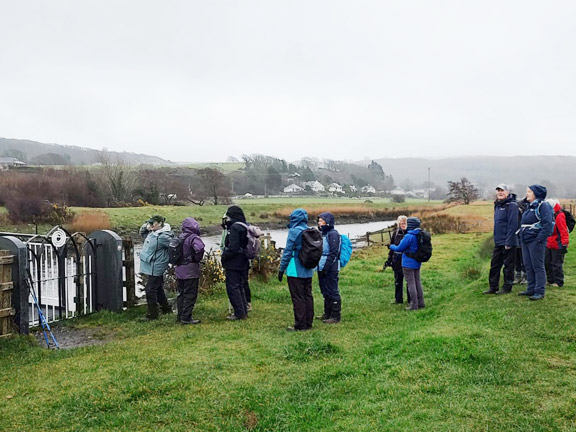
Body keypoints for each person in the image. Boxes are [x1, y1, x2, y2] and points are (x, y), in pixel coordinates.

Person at [278, 208, 314, 331]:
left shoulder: (294, 231)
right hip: (308, 269)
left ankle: (300, 325)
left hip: (295, 269)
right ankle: (308, 323)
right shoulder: (310, 230)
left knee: (298, 297)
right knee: (308, 295)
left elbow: (288, 252)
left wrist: (281, 269)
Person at [518, 185, 554, 300]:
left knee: (537, 266)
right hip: (526, 240)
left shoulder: (543, 206)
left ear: (536, 194)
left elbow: (547, 224)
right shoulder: (530, 206)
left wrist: (539, 239)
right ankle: (531, 289)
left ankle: (539, 291)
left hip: (535, 241)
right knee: (528, 265)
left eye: (529, 192)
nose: (527, 194)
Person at [484, 184, 519, 295]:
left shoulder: (512, 205)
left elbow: (513, 225)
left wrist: (509, 241)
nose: (500, 192)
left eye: (502, 190)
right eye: (498, 190)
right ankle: (493, 286)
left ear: (508, 192)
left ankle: (507, 287)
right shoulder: (497, 205)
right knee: (494, 265)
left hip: (508, 242)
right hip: (498, 241)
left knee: (508, 266)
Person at [139, 215, 174, 320]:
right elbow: (142, 233)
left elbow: (174, 246)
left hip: (157, 265)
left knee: (150, 289)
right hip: (151, 264)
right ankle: (166, 309)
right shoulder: (152, 233)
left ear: (160, 224)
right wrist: (146, 226)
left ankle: (152, 315)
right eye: (149, 223)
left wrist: (171, 259)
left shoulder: (164, 236)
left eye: (152, 223)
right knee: (158, 288)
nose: (150, 225)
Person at [389, 217, 425, 311]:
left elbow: (399, 248)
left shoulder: (409, 236)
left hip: (408, 263)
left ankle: (414, 305)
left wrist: (391, 246)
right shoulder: (419, 234)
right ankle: (421, 302)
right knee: (418, 282)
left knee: (411, 283)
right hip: (417, 262)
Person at [221, 206, 249, 320]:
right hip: (243, 260)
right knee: (240, 286)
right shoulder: (244, 226)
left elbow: (233, 247)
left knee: (233, 287)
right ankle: (243, 310)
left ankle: (239, 313)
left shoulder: (234, 228)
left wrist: (224, 257)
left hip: (234, 262)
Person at [174, 217, 205, 325]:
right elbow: (200, 248)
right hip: (190, 270)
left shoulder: (180, 236)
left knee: (181, 294)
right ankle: (186, 318)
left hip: (179, 270)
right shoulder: (193, 237)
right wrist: (197, 258)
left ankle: (180, 316)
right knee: (190, 294)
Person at [317, 212, 342, 324]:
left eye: (322, 220)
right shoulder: (322, 234)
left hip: (330, 267)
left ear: (328, 222)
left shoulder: (333, 234)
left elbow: (333, 252)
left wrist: (326, 267)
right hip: (321, 265)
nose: (319, 222)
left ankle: (335, 315)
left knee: (333, 290)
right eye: (319, 220)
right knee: (325, 290)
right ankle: (327, 313)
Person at [545, 199, 569, 288]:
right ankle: (550, 280)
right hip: (549, 243)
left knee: (556, 263)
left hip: (557, 243)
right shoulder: (550, 214)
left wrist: (564, 243)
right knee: (547, 262)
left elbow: (563, 230)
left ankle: (559, 282)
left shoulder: (559, 215)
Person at [387, 215, 409, 304]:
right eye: (401, 223)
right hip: (396, 260)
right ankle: (398, 299)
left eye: (405, 223)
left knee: (409, 281)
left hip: (406, 259)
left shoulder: (409, 234)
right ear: (398, 223)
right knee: (398, 281)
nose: (403, 224)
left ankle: (411, 300)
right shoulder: (395, 233)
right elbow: (391, 247)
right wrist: (389, 259)